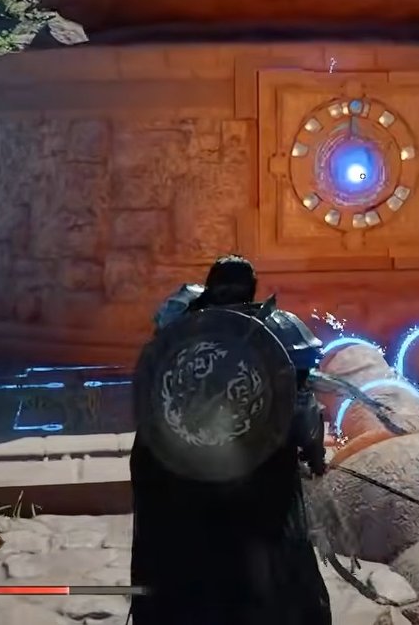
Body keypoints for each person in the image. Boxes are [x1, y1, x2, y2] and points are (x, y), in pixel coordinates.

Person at [129, 255, 333, 625]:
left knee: (175, 558)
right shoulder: (280, 329)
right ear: (252, 288)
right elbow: (302, 404)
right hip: (255, 470)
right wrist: (313, 450)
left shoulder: (178, 322)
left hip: (174, 467)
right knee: (264, 567)